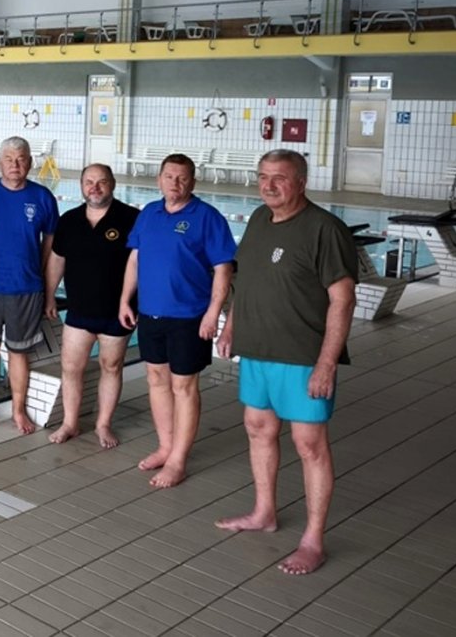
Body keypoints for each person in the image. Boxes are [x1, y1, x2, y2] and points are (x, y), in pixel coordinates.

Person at [215, 150, 357, 575]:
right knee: (258, 429)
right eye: (263, 176)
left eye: (279, 177)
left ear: (301, 183)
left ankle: (313, 540)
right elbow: (246, 280)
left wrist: (327, 363)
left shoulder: (324, 229)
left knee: (309, 445)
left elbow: (343, 299)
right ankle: (265, 512)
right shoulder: (260, 219)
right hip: (257, 350)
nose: (269, 185)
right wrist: (230, 327)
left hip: (302, 355)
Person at [119, 154, 236, 489]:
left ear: (193, 182)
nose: (175, 183)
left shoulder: (208, 218)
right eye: (169, 176)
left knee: (184, 387)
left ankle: (178, 460)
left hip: (189, 317)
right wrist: (125, 299)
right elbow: (134, 260)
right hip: (151, 313)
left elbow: (224, 269)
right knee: (156, 379)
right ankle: (165, 446)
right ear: (159, 179)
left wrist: (213, 313)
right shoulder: (148, 214)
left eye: (182, 178)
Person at [43, 165, 139, 448]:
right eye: (89, 182)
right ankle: (70, 423)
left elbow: (141, 263)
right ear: (81, 185)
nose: (95, 188)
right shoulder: (70, 220)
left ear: (113, 184)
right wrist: (49, 295)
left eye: (101, 182)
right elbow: (57, 259)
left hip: (117, 311)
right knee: (71, 367)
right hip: (79, 311)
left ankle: (103, 424)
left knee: (111, 366)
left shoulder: (131, 218)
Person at [0, 137, 59, 435]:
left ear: (30, 162)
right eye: (9, 158)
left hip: (26, 287)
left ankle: (18, 410)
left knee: (19, 353)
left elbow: (51, 242)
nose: (15, 164)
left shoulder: (43, 197)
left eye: (21, 159)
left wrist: (42, 279)